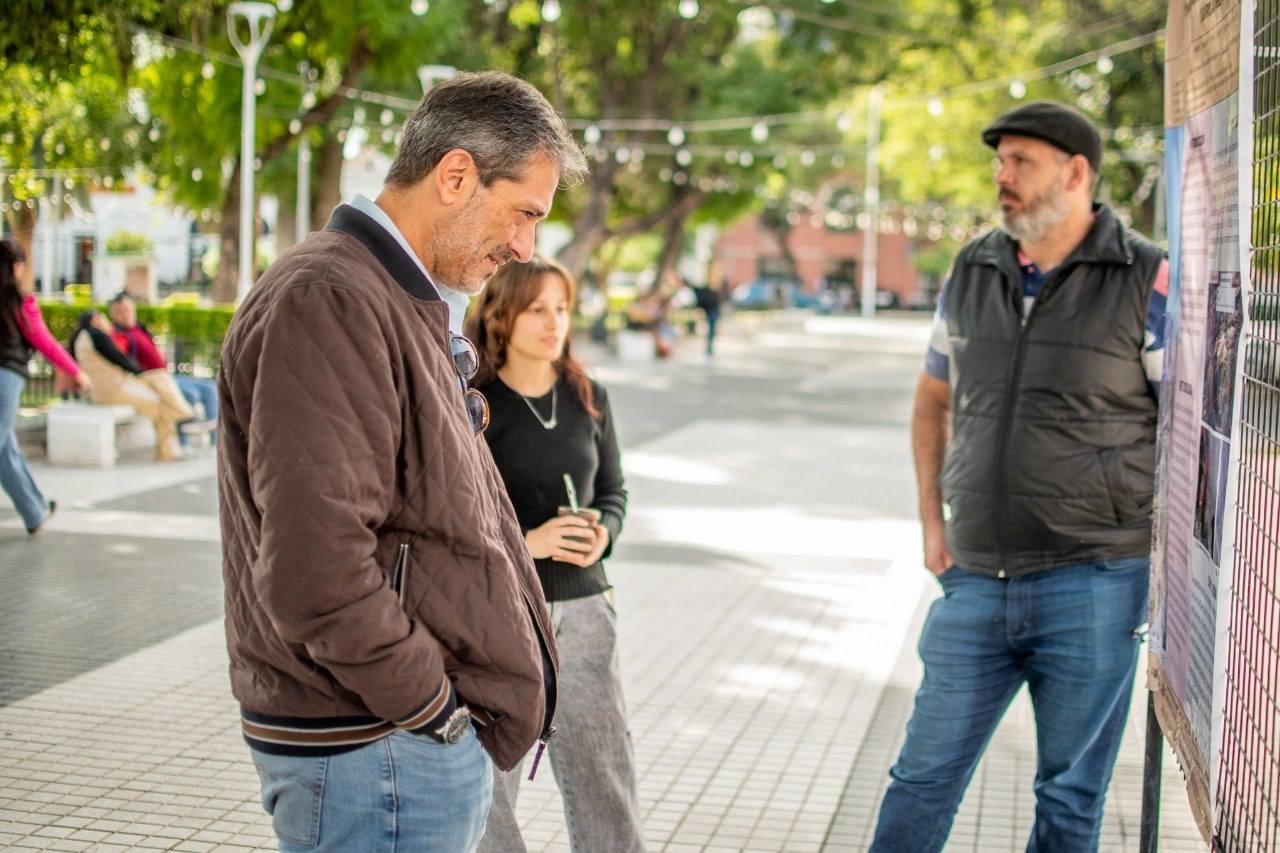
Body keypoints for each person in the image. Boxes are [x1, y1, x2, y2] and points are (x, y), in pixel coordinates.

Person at [216, 71, 587, 853]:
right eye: (524, 213)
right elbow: (317, 576)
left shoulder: (387, 296)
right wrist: (434, 710)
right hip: (375, 746)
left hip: (386, 742)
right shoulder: (330, 297)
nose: (524, 248)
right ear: (455, 175)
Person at [869, 101, 1169, 853]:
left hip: (1094, 582)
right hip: (973, 577)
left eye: (1020, 162)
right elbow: (933, 397)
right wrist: (932, 522)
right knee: (921, 776)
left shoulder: (1147, 278)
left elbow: (1187, 423)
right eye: (998, 161)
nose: (1001, 177)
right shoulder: (973, 266)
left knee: (1070, 801)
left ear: (1075, 174)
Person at [465, 256, 641, 853]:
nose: (553, 322)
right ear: (500, 315)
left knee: (604, 773)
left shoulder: (588, 396)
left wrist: (604, 532)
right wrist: (530, 542)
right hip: (508, 615)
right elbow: (458, 516)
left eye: (561, 308)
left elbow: (613, 491)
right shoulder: (475, 405)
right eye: (537, 308)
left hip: (588, 608)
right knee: (491, 786)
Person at [0, 238, 89, 533]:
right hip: (7, 378)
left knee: (6, 449)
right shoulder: (19, 302)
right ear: (15, 266)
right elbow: (44, 342)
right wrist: (75, 371)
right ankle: (35, 508)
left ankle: (34, 509)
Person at [69, 310, 195, 462]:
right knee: (162, 402)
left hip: (103, 390)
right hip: (114, 389)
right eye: (103, 317)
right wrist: (139, 371)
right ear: (95, 319)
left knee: (159, 379)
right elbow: (118, 358)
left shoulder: (81, 339)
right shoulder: (95, 335)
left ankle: (183, 418)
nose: (106, 320)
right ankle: (172, 443)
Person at [107, 292, 217, 442]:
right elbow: (121, 359)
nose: (126, 315)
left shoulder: (139, 328)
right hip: (153, 381)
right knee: (190, 394)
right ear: (113, 316)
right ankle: (182, 443)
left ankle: (217, 441)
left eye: (128, 309)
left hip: (167, 376)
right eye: (120, 312)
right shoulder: (119, 335)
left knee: (210, 387)